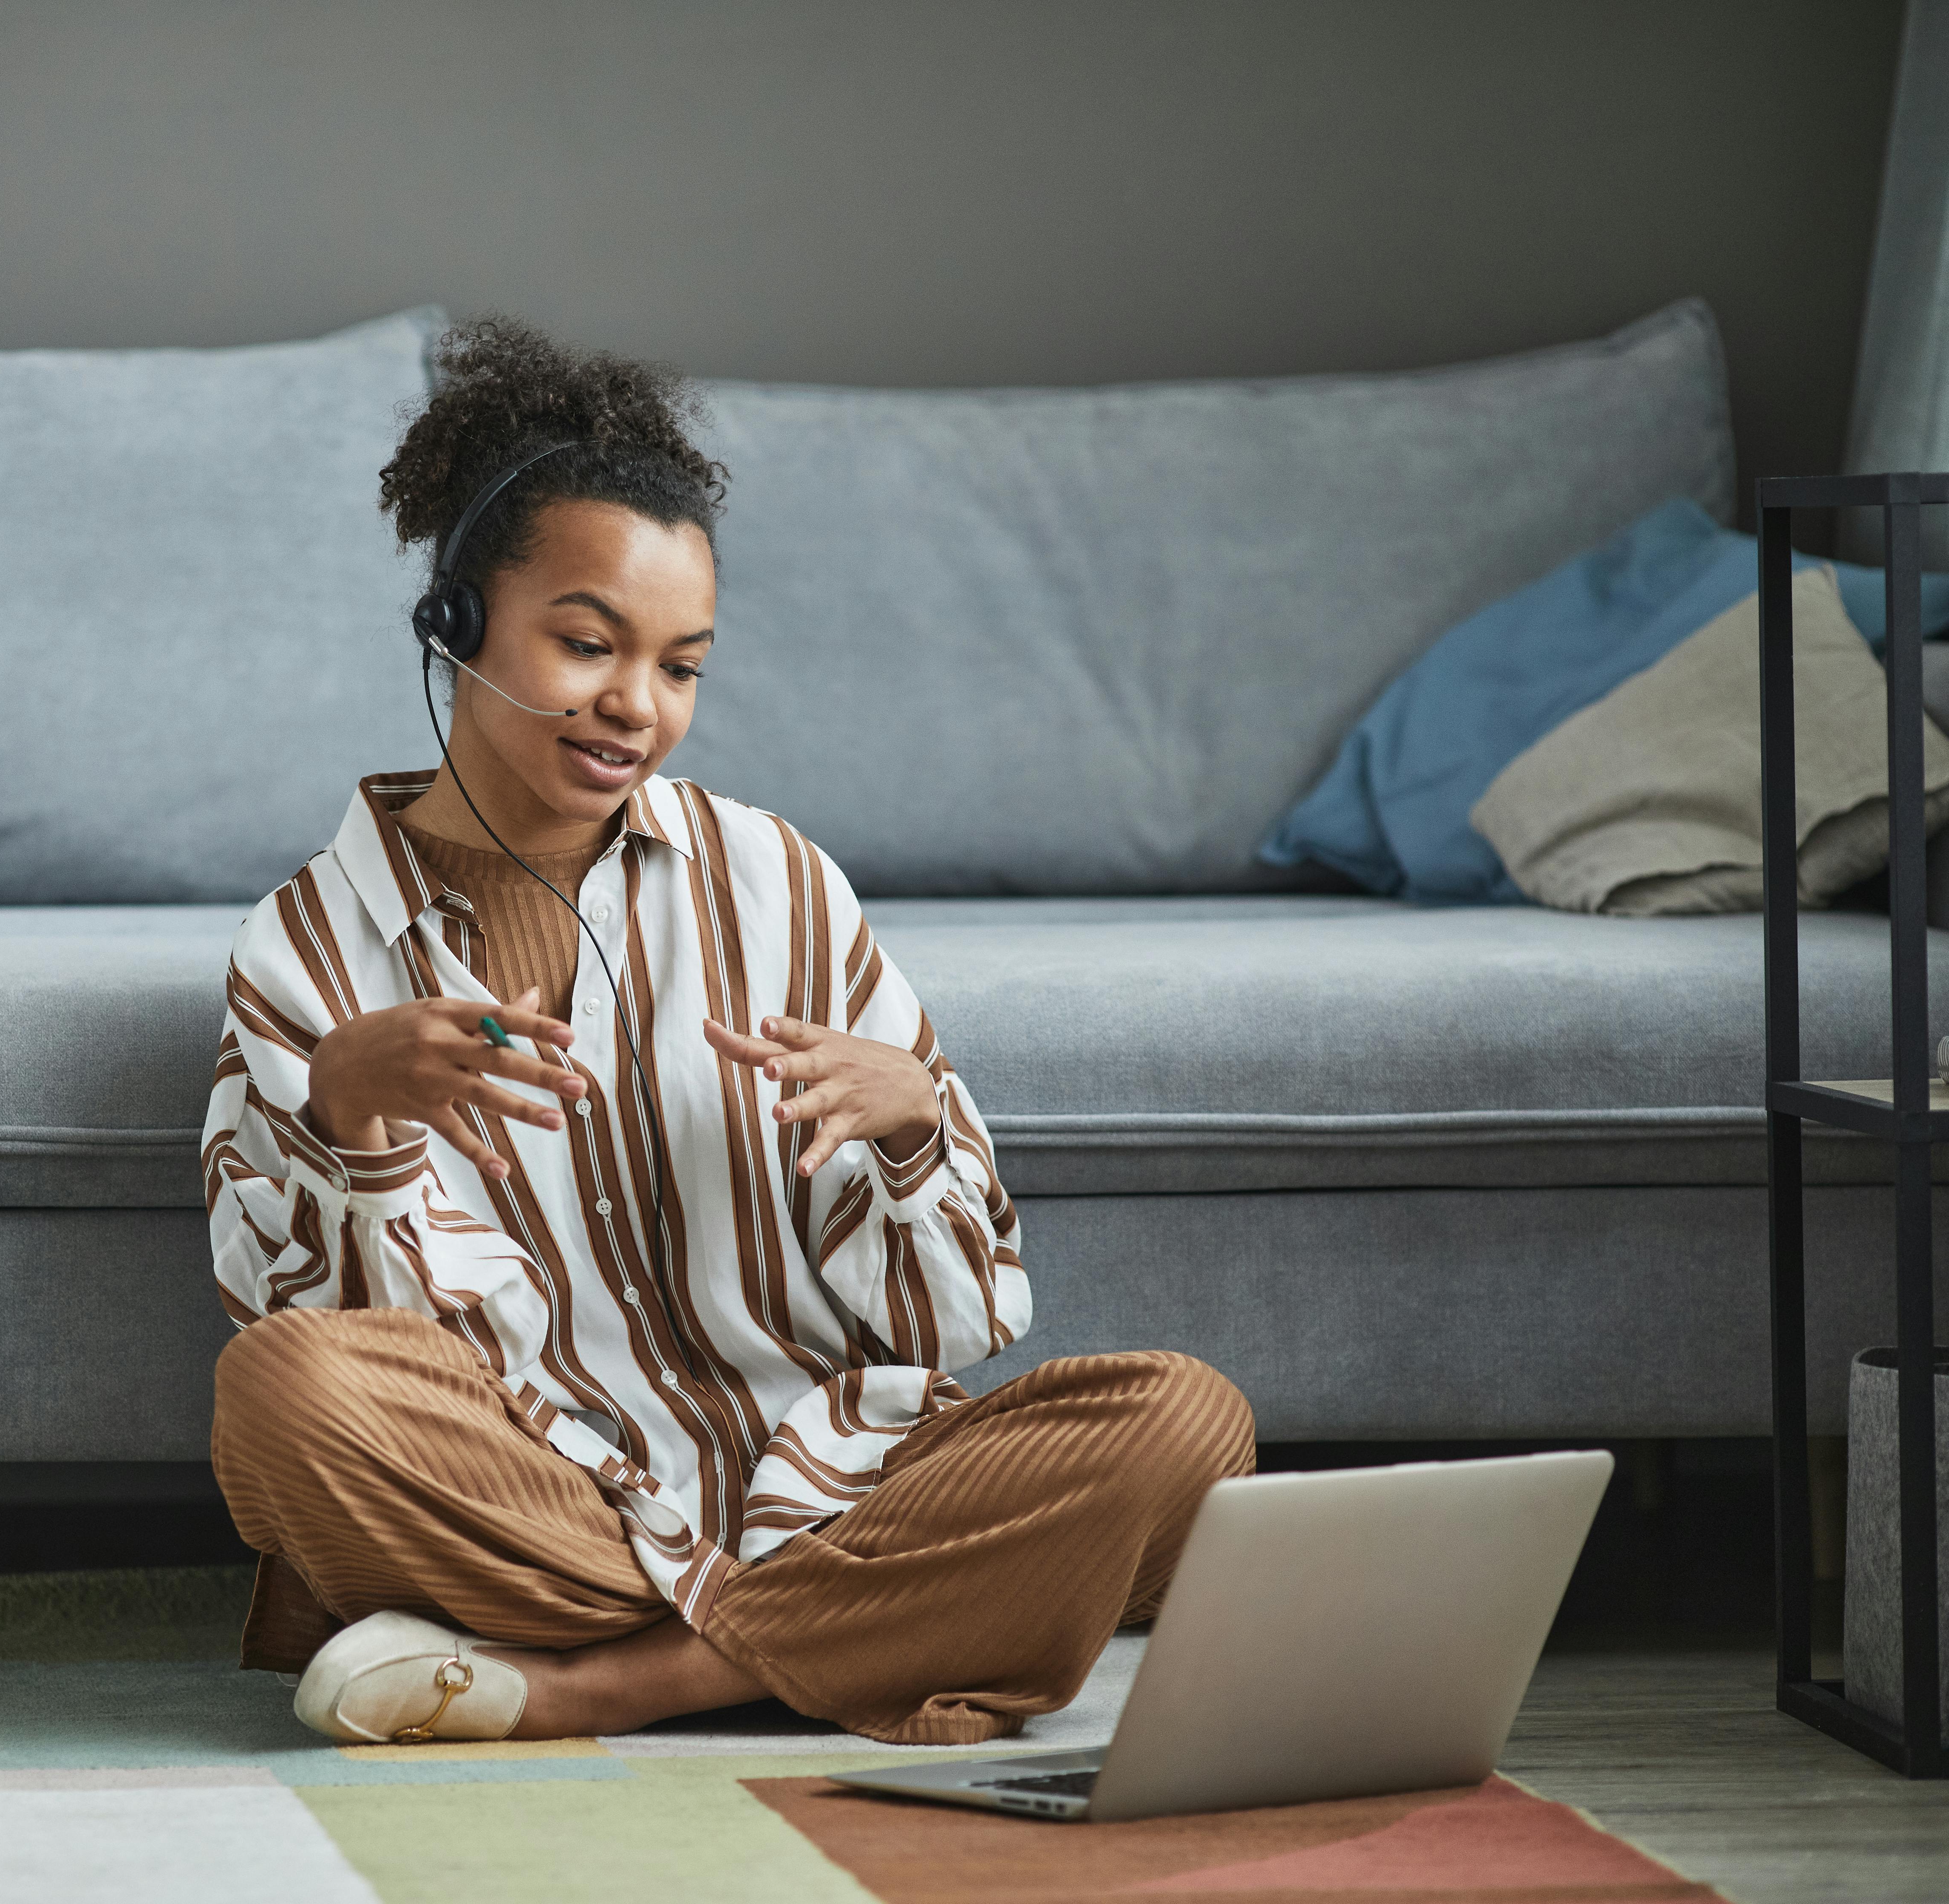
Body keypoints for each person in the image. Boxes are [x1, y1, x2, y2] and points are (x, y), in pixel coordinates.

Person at [203, 317, 1253, 1747]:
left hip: (835, 1475)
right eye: (587, 644)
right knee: (283, 1394)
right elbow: (333, 1352)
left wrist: (914, 1129)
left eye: (682, 667)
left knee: (1191, 1429)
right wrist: (351, 1120)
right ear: (456, 626)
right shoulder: (308, 951)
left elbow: (953, 1326)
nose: (636, 706)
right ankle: (886, 1633)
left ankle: (612, 1683)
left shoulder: (779, 883)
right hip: (547, 1499)